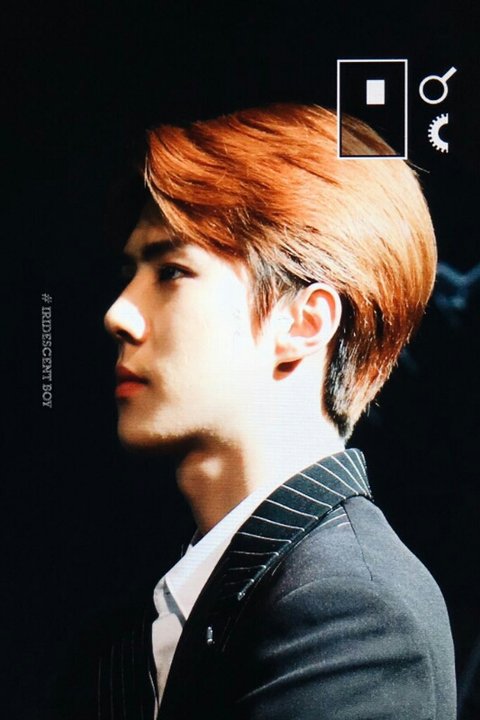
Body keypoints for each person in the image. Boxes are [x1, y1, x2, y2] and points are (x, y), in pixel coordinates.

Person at [62, 104, 457, 719]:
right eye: (129, 272)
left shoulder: (355, 613)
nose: (118, 314)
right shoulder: (153, 615)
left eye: (171, 271)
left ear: (303, 323)